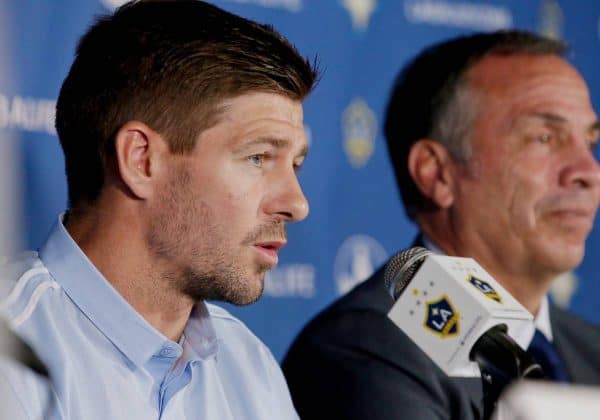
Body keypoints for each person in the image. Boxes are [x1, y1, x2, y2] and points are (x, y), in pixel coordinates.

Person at [0, 1, 317, 419]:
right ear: (141, 160)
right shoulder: (12, 353)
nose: (297, 204)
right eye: (258, 158)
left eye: (295, 165)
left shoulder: (249, 365)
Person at [282, 30, 600, 420]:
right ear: (437, 174)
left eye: (590, 143)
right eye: (545, 137)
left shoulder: (591, 349)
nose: (588, 172)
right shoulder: (365, 352)